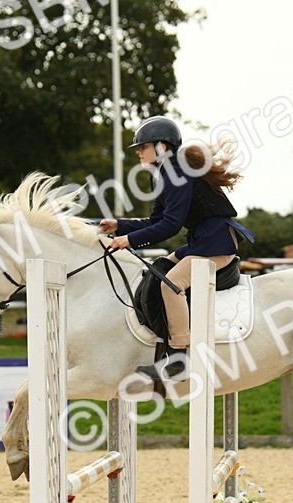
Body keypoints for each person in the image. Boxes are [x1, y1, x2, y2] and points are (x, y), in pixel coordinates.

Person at [99, 116, 254, 382]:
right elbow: (156, 221)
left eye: (143, 146)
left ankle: (180, 360)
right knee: (158, 271)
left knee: (171, 284)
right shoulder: (165, 174)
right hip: (201, 243)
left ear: (161, 147)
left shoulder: (177, 173)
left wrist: (130, 241)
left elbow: (170, 226)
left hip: (215, 245)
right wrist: (120, 225)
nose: (138, 151)